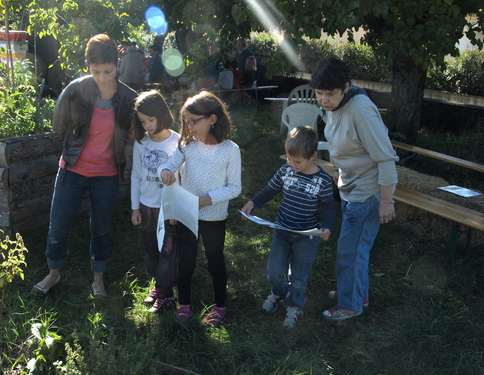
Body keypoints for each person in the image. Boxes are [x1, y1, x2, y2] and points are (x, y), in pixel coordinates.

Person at [31, 34, 137, 299]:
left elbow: (131, 134)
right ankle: (53, 274)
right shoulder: (75, 90)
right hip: (72, 171)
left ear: (118, 63)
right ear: (88, 66)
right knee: (58, 227)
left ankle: (98, 280)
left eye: (108, 71)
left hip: (107, 176)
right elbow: (60, 127)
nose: (102, 77)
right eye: (95, 71)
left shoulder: (129, 97)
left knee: (101, 230)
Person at [309, 57, 398, 321]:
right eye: (319, 94)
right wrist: (338, 169)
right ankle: (357, 292)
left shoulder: (361, 110)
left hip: (368, 193)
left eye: (329, 94)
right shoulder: (332, 107)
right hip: (349, 187)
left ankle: (350, 305)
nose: (323, 100)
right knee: (356, 249)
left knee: (350, 251)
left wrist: (385, 201)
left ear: (346, 87)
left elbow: (386, 157)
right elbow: (342, 142)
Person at [158, 91, 242, 327]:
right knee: (186, 261)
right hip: (187, 214)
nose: (188, 125)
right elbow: (169, 164)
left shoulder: (230, 150)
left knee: (215, 260)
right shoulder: (187, 146)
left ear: (212, 119)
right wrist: (164, 171)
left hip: (214, 217)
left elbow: (235, 187)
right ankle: (184, 303)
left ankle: (220, 305)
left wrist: (209, 198)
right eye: (186, 120)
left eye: (194, 120)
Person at [241, 126, 336, 327]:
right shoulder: (285, 171)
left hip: (306, 237)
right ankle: (279, 292)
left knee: (299, 277)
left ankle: (294, 307)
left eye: (298, 161)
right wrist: (252, 203)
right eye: (289, 159)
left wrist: (327, 227)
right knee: (273, 271)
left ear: (313, 156)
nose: (292, 164)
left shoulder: (323, 180)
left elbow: (328, 207)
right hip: (282, 232)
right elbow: (269, 191)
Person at [130, 90, 180, 313]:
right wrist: (134, 208)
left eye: (151, 119)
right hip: (146, 208)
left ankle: (168, 295)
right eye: (143, 121)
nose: (148, 125)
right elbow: (136, 176)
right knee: (151, 252)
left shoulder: (178, 142)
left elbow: (185, 179)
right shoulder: (141, 143)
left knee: (167, 252)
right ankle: (158, 285)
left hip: (169, 208)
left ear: (162, 114)